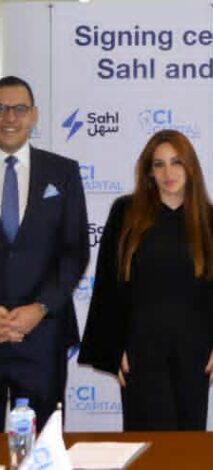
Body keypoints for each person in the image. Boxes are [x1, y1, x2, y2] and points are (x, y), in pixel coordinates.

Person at [78, 129, 213, 430]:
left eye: (176, 162)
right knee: (146, 444)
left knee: (187, 445)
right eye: (159, 164)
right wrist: (112, 348)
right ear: (149, 172)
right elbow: (107, 285)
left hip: (195, 351)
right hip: (140, 349)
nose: (168, 173)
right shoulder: (125, 213)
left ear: (190, 167)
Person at [0, 75, 89, 428]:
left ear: (34, 115)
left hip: (44, 333)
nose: (9, 117)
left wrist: (39, 308)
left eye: (19, 109)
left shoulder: (62, 172)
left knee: (43, 446)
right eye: (1, 108)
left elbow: (75, 251)